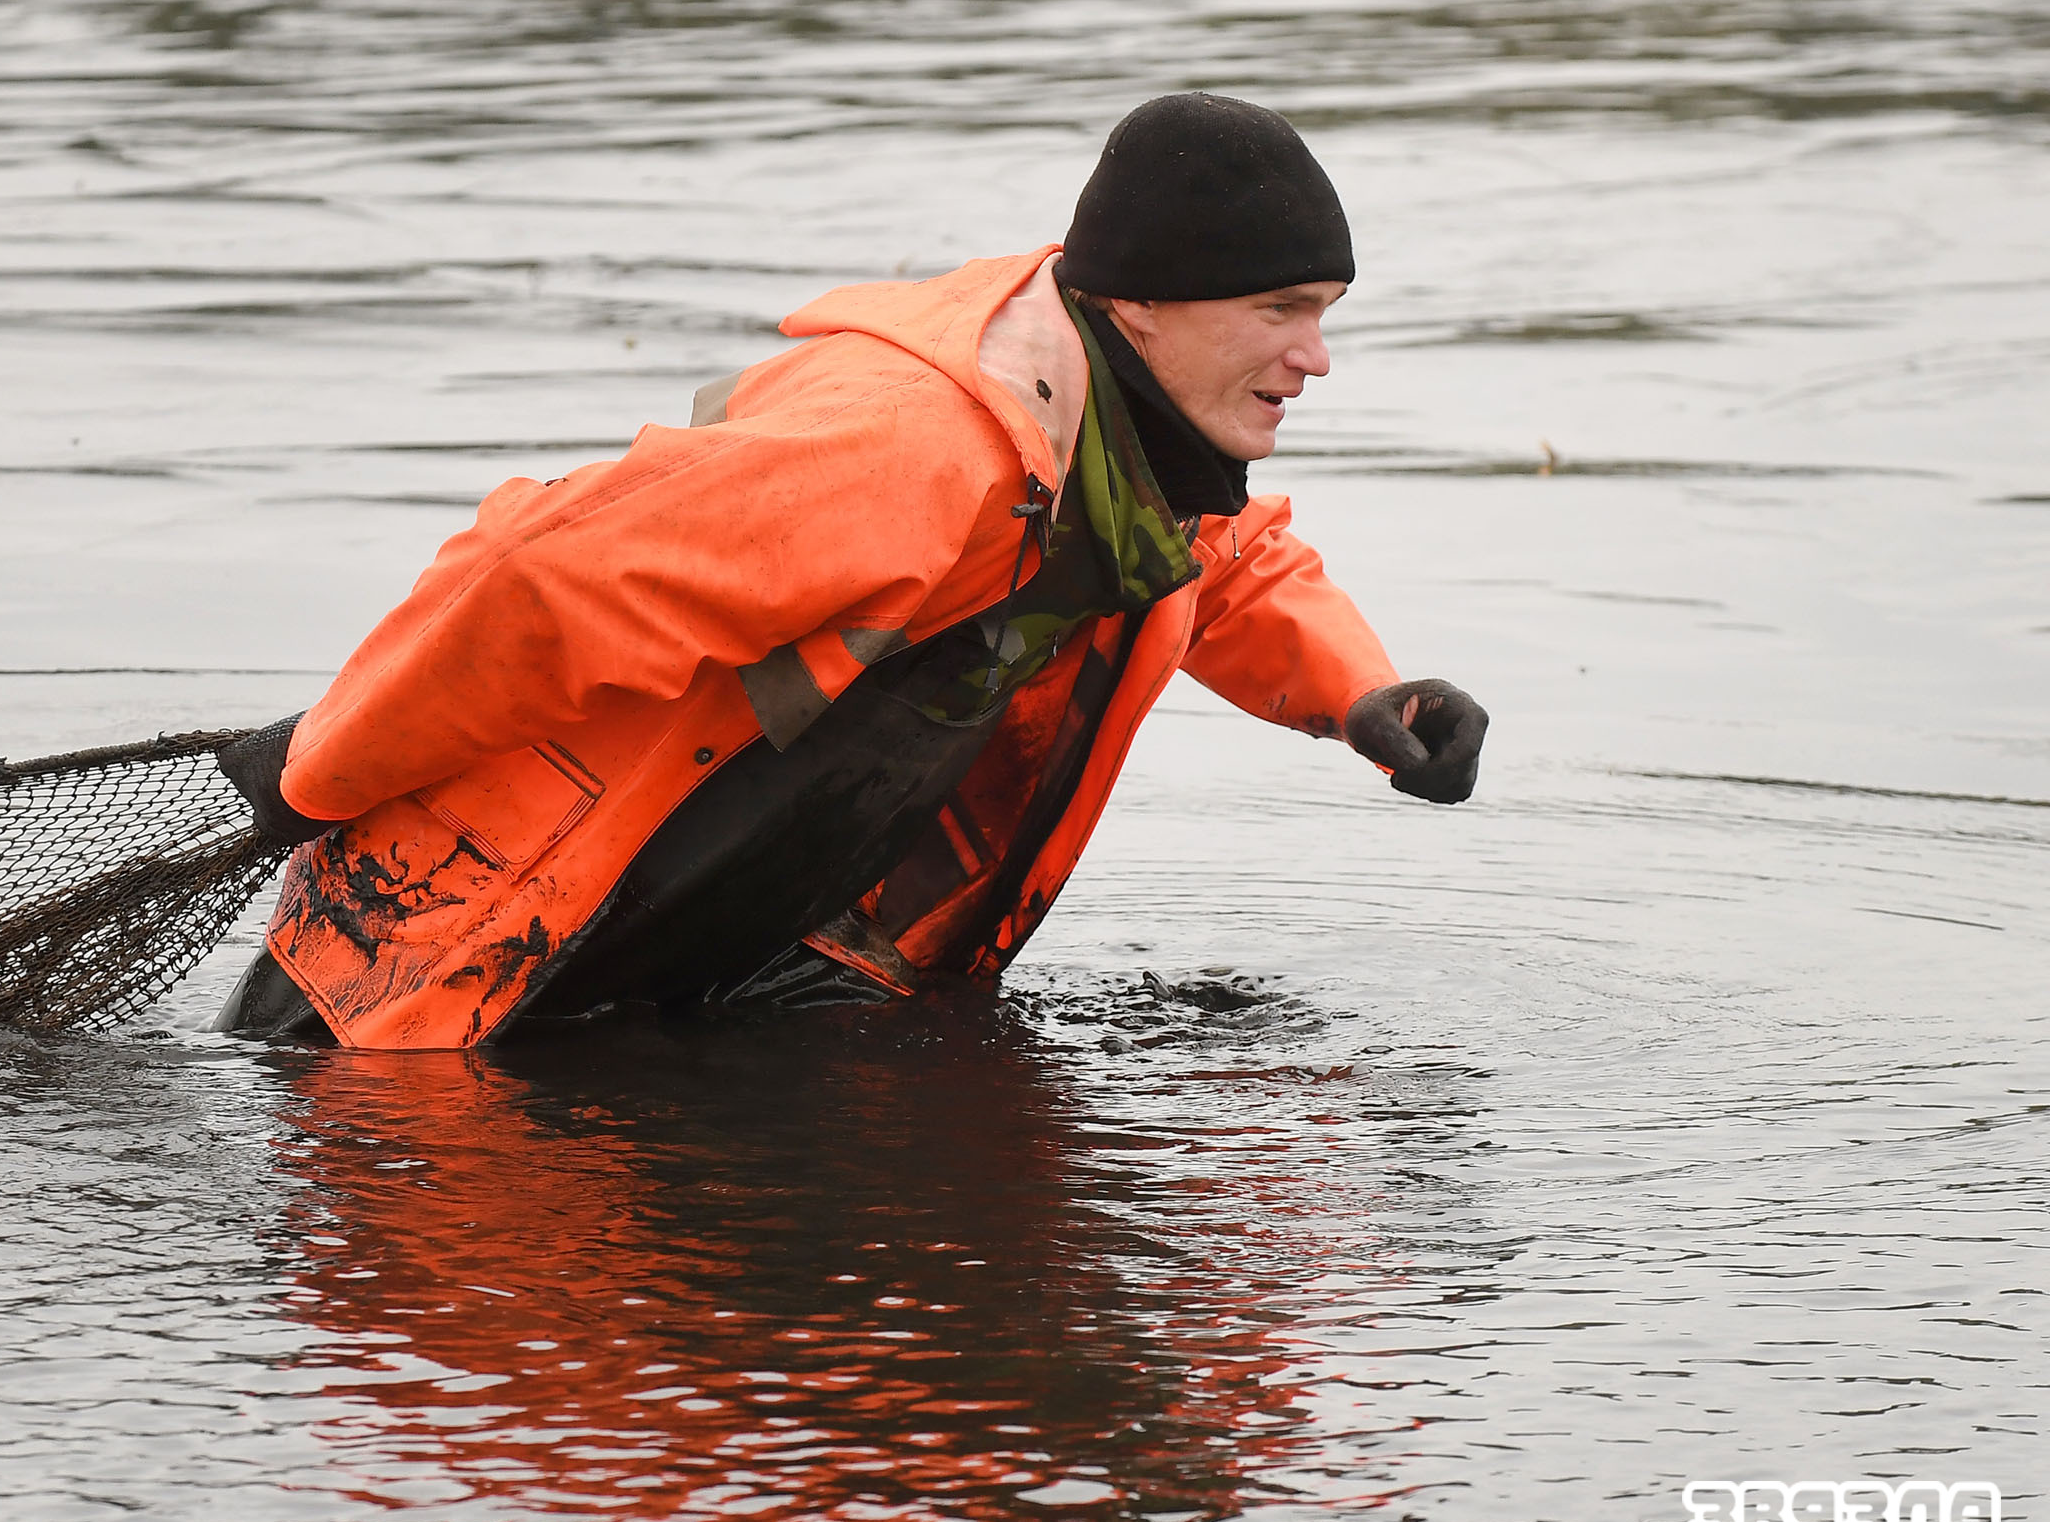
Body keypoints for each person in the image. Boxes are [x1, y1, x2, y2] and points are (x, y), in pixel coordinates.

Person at [211, 92, 1488, 1048]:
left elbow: (1223, 560)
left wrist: (1358, 700)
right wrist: (324, 765)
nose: (1315, 358)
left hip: (717, 954)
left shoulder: (1129, 425)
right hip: (436, 964)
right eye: (1282, 312)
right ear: (1145, 305)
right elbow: (536, 576)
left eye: (1324, 311)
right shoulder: (905, 447)